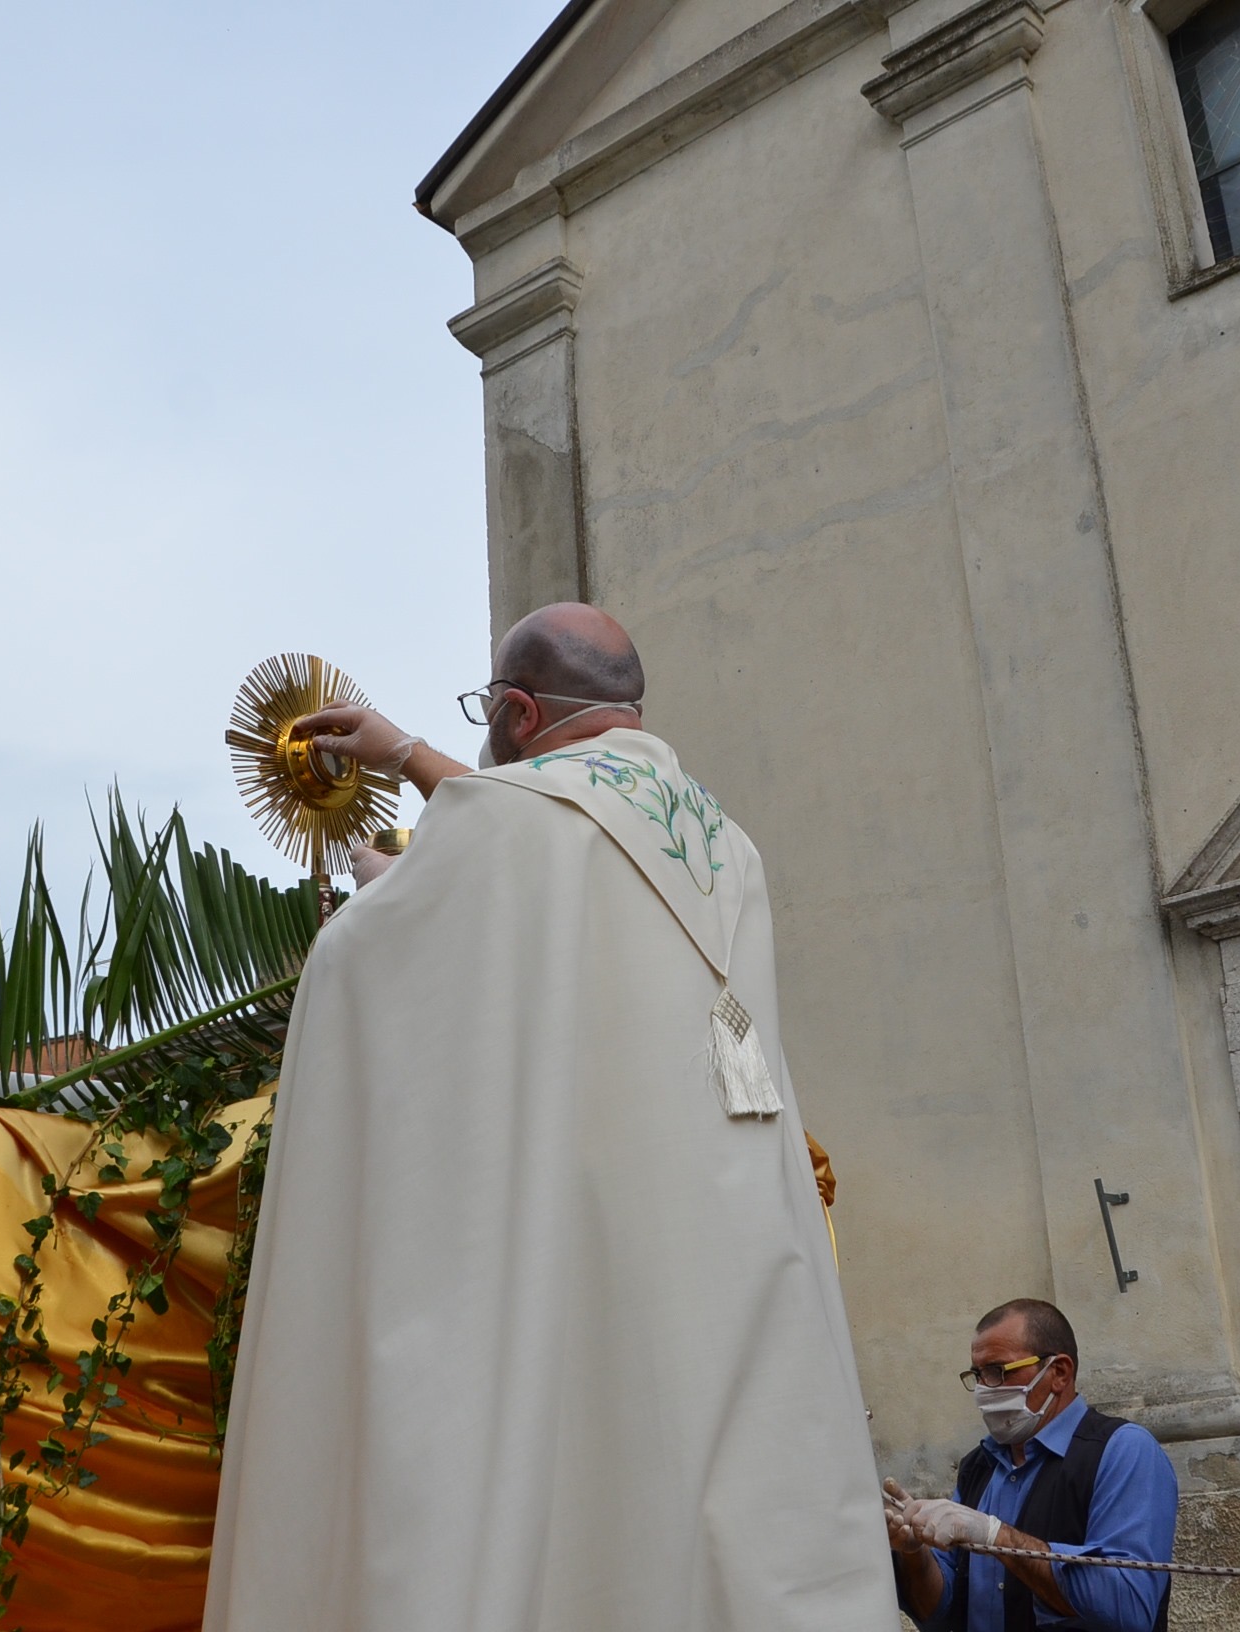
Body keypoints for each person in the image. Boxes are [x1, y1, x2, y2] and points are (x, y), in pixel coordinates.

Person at [203, 603, 894, 1632]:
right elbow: (548, 841)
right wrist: (422, 780)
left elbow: (422, 935)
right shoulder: (725, 843)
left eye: (489, 712)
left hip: (587, 1236)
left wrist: (377, 886)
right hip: (728, 1250)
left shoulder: (522, 818)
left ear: (518, 711)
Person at [884, 1298, 1177, 1632]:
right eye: (977, 1375)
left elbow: (1127, 1609)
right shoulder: (978, 1465)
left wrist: (996, 1535)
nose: (983, 1390)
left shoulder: (1122, 1450)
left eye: (998, 1371)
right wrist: (914, 1552)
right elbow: (940, 1611)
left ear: (1059, 1373)